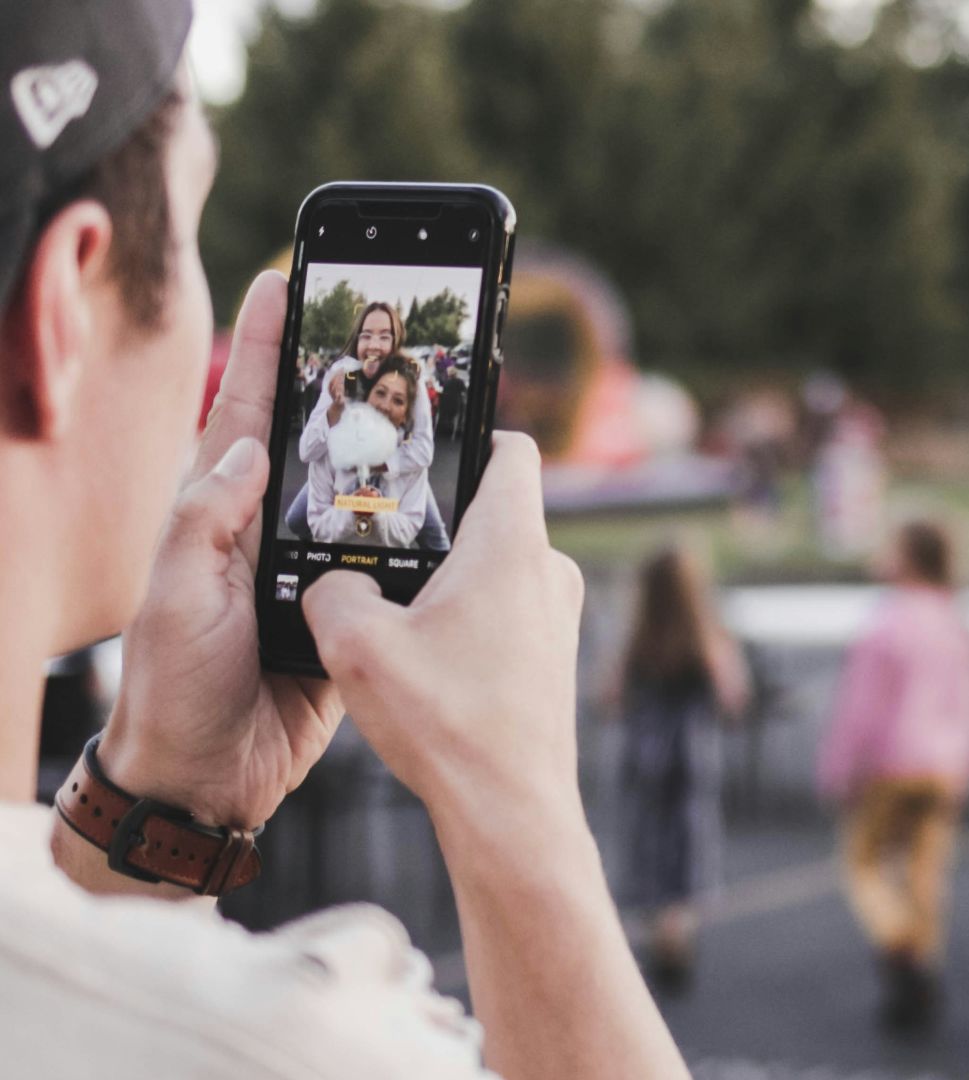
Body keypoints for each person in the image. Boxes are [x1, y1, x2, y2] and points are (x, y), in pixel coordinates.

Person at [0, 4, 687, 1076]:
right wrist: (518, 804)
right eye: (190, 232)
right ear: (65, 315)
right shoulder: (291, 1050)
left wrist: (157, 805)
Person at [817, 518, 969, 1033]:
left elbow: (861, 710)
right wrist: (965, 762)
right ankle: (925, 959)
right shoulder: (957, 623)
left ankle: (900, 948)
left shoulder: (887, 623)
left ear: (908, 557)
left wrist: (838, 771)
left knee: (864, 864)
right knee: (924, 870)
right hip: (944, 766)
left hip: (893, 763)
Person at [613, 543, 751, 994]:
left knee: (649, 839)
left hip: (644, 755)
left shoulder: (636, 640)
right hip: (692, 757)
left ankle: (658, 928)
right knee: (688, 842)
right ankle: (677, 930)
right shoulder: (707, 636)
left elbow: (608, 697)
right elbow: (733, 698)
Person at [287, 301, 450, 549]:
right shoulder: (343, 375)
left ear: (395, 343)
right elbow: (307, 451)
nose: (374, 345)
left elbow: (423, 450)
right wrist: (334, 408)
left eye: (384, 337)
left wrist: (379, 464)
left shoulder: (409, 379)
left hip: (397, 464)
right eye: (366, 336)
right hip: (344, 463)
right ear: (357, 341)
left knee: (435, 540)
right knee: (297, 520)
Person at [305, 353, 434, 546]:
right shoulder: (330, 447)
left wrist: (375, 511)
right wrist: (352, 510)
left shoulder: (413, 464)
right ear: (366, 396)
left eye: (398, 401)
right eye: (380, 393)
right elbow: (318, 525)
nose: (385, 406)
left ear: (406, 416)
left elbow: (408, 529)